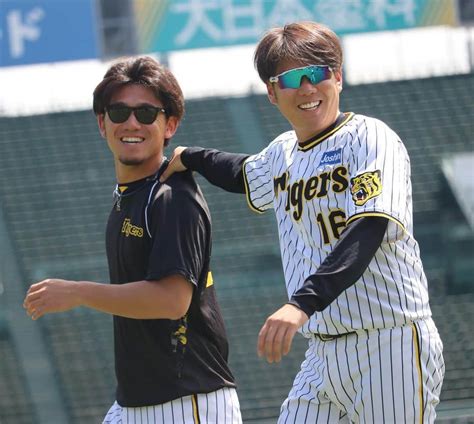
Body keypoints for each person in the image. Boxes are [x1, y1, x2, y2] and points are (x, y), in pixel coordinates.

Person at [159, 21, 445, 423]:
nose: (308, 87)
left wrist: (301, 304)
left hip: (389, 340)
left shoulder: (370, 138)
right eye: (293, 78)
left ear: (338, 78)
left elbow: (368, 229)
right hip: (323, 351)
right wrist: (192, 156)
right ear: (272, 93)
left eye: (319, 72)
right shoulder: (283, 153)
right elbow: (242, 173)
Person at [23, 56, 242, 424]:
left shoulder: (172, 198)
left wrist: (77, 292)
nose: (131, 123)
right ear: (101, 123)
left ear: (169, 124)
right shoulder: (131, 195)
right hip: (136, 405)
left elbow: (172, 300)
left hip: (186, 404)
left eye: (146, 113)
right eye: (119, 111)